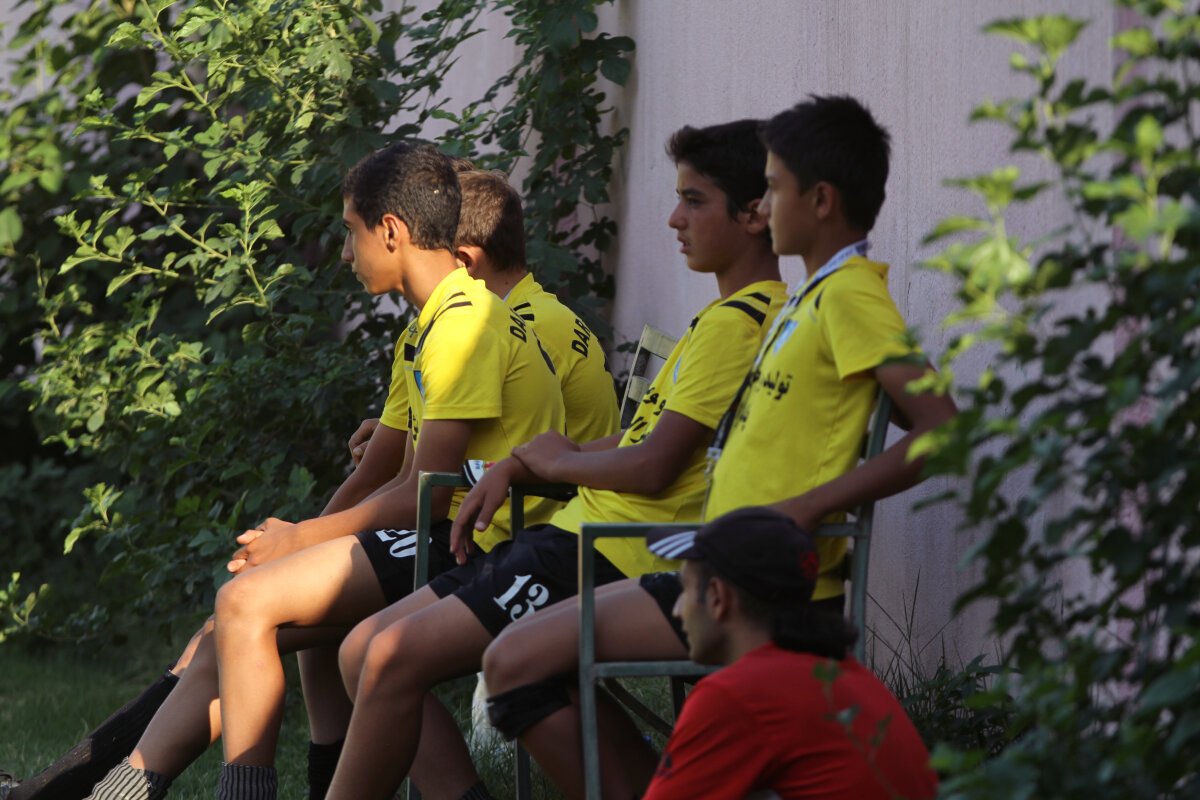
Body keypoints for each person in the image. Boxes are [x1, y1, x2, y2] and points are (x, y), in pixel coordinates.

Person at [480, 94, 959, 800]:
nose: (761, 206)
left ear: (820, 201)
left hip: (771, 595)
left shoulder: (851, 295)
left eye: (773, 188)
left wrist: (810, 506)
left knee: (513, 662)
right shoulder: (808, 299)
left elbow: (942, 429)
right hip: (720, 572)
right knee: (516, 660)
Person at [319, 118, 790, 800]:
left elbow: (654, 466)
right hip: (573, 537)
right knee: (366, 648)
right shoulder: (723, 319)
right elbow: (642, 440)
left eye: (694, 201)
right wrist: (526, 463)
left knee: (390, 655)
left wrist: (551, 465)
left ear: (754, 214)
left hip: (613, 551)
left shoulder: (740, 325)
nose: (674, 219)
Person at [84, 142, 566, 800]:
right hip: (464, 531)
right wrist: (296, 542)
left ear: (390, 231)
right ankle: (117, 789)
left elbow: (427, 497)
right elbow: (396, 476)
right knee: (258, 610)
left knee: (244, 604)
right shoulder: (434, 324)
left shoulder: (462, 327)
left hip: (489, 543)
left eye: (350, 231)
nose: (344, 253)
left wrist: (300, 539)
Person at [296, 167, 621, 800]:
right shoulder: (476, 317)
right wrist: (307, 538)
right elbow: (411, 457)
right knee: (311, 612)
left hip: (527, 524)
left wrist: (306, 538)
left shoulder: (485, 322)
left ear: (461, 258)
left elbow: (438, 476)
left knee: (327, 625)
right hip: (509, 511)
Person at [640, 506, 938, 799]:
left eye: (685, 590)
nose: (677, 610)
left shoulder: (737, 695)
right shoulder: (845, 673)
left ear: (718, 597)